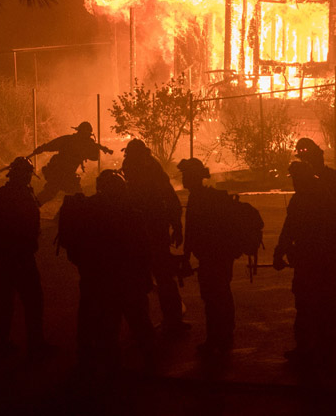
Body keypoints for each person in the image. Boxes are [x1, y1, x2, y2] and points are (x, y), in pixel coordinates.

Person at [273, 137, 336, 370]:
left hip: (316, 261)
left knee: (312, 303)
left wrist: (282, 251)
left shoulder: (311, 199)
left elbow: (294, 228)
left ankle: (315, 347)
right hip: (324, 261)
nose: (294, 184)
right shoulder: (320, 195)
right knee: (324, 302)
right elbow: (293, 228)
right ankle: (327, 346)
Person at [60, 169, 155, 378]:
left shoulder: (88, 213)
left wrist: (88, 270)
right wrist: (146, 278)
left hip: (98, 281)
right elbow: (144, 251)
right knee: (139, 323)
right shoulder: (131, 215)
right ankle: (150, 365)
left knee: (104, 326)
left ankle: (105, 369)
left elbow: (75, 248)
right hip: (126, 282)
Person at [0, 156, 48, 360]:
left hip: (2, 257)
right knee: (33, 300)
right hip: (20, 256)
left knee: (4, 300)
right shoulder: (24, 197)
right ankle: (34, 343)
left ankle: (2, 343)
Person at [121, 139, 189, 336]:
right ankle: (169, 321)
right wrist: (176, 225)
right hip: (151, 228)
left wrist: (176, 224)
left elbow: (167, 195)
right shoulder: (148, 167)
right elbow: (168, 195)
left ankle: (144, 327)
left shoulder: (137, 169)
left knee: (147, 278)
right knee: (162, 275)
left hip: (144, 229)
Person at [179, 157, 239, 357]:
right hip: (222, 254)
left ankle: (215, 338)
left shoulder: (198, 199)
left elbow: (192, 231)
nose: (184, 179)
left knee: (212, 297)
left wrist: (186, 256)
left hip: (211, 256)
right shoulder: (209, 196)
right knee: (222, 293)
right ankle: (226, 333)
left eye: (186, 175)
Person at [30, 121, 113, 205]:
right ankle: (31, 207)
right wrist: (42, 148)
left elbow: (94, 157)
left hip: (66, 174)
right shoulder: (69, 140)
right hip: (59, 172)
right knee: (56, 194)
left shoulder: (77, 142)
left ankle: (33, 207)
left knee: (58, 194)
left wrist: (93, 148)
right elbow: (53, 145)